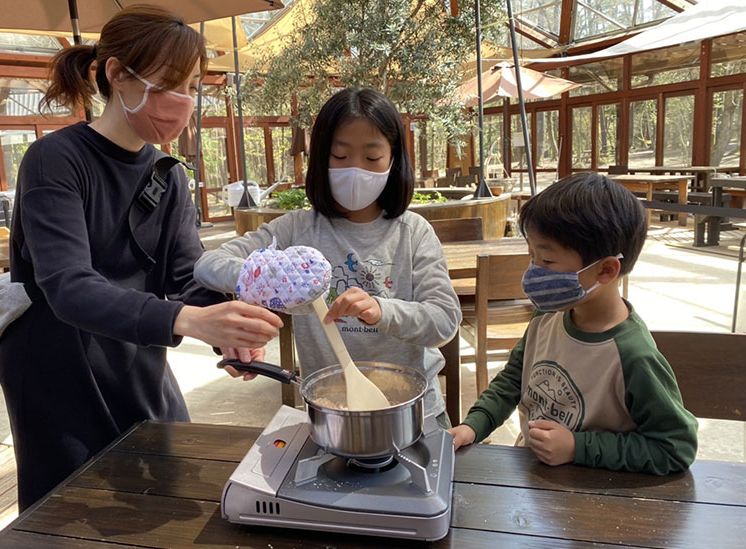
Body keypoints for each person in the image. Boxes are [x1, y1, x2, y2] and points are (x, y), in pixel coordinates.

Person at [0, 5, 282, 510]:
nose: (184, 101)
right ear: (116, 75)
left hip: (136, 355)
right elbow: (68, 286)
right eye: (171, 82)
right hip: (54, 367)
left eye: (193, 86)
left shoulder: (167, 173)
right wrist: (192, 319)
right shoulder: (54, 159)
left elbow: (184, 274)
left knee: (172, 495)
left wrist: (228, 331)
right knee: (71, 513)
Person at [194, 88, 461, 427]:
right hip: (332, 415)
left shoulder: (413, 233)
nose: (355, 169)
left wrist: (382, 310)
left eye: (372, 157)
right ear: (321, 158)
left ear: (393, 162)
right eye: (339, 155)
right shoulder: (295, 229)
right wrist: (275, 278)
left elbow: (444, 320)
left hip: (414, 413)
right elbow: (208, 265)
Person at [448, 173, 698, 475]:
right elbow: (513, 381)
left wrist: (578, 447)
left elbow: (675, 448)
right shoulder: (546, 317)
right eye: (532, 256)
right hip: (538, 481)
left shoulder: (633, 356)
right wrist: (473, 426)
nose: (533, 272)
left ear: (605, 270)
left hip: (594, 495)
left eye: (548, 262)